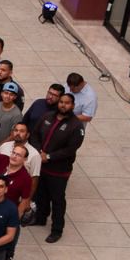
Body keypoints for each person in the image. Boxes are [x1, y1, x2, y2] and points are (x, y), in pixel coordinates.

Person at [29, 92, 86, 243]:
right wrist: (38, 151)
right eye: (61, 102)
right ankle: (40, 218)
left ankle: (57, 229)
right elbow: (34, 135)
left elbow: (70, 149)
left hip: (59, 170)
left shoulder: (76, 126)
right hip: (41, 166)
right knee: (41, 194)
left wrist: (49, 157)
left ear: (72, 106)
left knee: (57, 199)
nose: (63, 105)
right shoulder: (47, 116)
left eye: (67, 103)